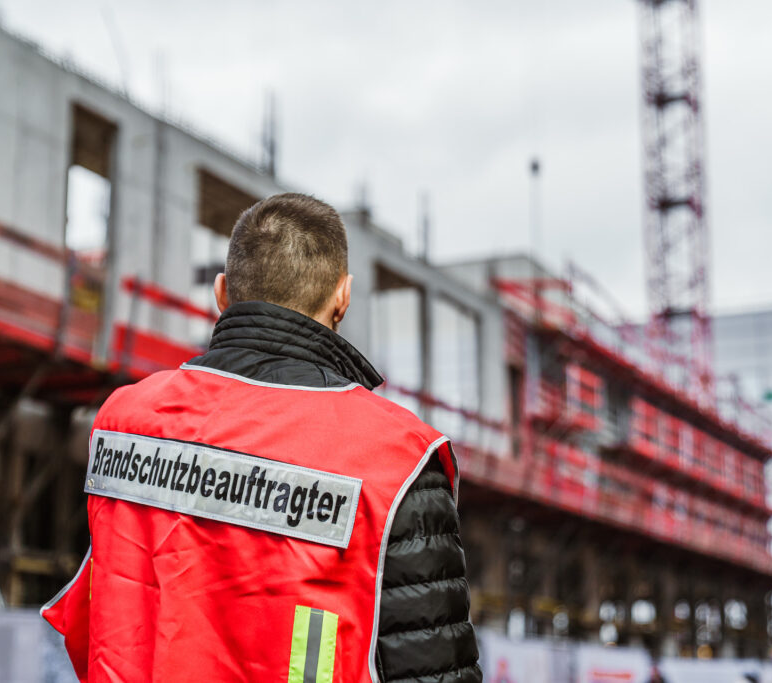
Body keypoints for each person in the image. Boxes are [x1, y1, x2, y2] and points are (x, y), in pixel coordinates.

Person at [43, 193, 481, 682]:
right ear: (343, 296)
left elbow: (94, 622)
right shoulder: (395, 459)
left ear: (222, 292)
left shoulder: (125, 420)